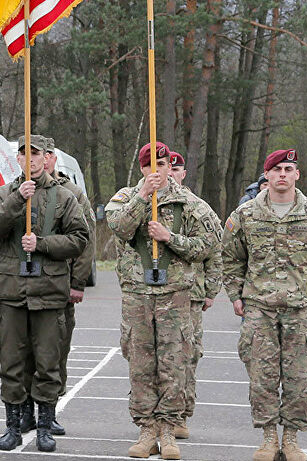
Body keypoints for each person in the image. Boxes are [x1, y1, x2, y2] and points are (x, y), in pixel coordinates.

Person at [223, 149, 307, 461]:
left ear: (297, 175)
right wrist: (235, 295)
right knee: (261, 377)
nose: (282, 175)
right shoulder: (245, 215)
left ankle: (290, 439)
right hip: (259, 309)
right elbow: (231, 258)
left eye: (288, 169)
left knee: (298, 379)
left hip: (301, 310)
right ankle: (268, 438)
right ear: (267, 175)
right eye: (276, 169)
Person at [106, 142, 220, 460]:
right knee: (141, 364)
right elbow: (118, 228)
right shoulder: (126, 198)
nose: (157, 170)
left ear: (171, 167)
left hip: (175, 295)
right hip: (137, 294)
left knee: (174, 363)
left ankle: (169, 429)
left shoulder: (190, 203)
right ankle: (146, 429)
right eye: (150, 165)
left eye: (162, 164)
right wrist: (143, 196)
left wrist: (170, 238)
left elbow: (209, 245)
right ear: (142, 168)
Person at [0, 135, 89, 453]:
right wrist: (18, 199)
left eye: (36, 154)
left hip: (49, 293)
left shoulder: (64, 196)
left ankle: (44, 425)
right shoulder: (4, 193)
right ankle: (13, 426)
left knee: (48, 362)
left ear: (47, 158)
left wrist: (42, 244)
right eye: (24, 154)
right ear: (17, 159)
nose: (30, 159)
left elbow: (80, 238)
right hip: (12, 293)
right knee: (11, 363)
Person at [23, 136, 95, 436]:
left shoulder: (71, 193)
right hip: (25, 286)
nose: (43, 159)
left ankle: (50, 409)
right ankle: (25, 409)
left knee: (55, 352)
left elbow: (85, 240)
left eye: (48, 154)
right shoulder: (20, 190)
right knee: (24, 352)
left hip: (59, 285)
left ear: (53, 158)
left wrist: (77, 283)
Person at [167, 150, 221, 438]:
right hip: (159, 292)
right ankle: (159, 414)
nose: (171, 174)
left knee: (188, 355)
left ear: (184, 174)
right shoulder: (152, 205)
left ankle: (182, 414)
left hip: (192, 293)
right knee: (161, 356)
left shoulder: (198, 207)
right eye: (167, 169)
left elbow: (214, 252)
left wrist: (211, 290)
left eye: (176, 170)